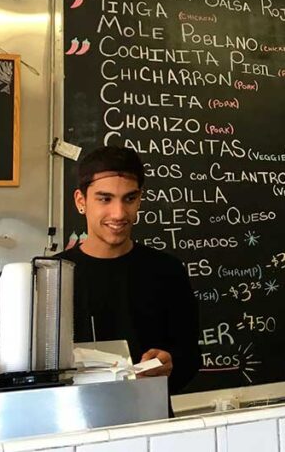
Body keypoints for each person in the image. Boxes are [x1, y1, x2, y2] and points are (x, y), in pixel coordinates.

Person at [56, 145, 201, 396]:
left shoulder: (167, 271)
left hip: (148, 419)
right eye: (104, 198)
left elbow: (189, 357)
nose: (119, 213)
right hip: (71, 423)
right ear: (81, 201)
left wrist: (169, 363)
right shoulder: (53, 276)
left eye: (129, 199)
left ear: (140, 199)